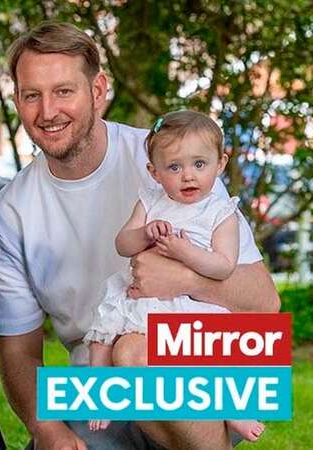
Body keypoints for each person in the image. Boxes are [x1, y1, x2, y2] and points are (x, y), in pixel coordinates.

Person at [0, 22, 280, 450]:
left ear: (99, 89)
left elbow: (265, 303)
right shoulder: (12, 209)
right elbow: (19, 348)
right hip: (100, 392)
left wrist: (187, 279)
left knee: (134, 356)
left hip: (197, 370)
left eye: (64, 91)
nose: (47, 111)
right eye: (32, 95)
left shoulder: (176, 161)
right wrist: (46, 429)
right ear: (17, 100)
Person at [83, 111, 265, 442]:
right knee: (101, 340)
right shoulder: (150, 202)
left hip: (188, 304)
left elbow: (223, 266)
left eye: (199, 164)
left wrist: (184, 252)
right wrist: (145, 233)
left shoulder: (221, 213)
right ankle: (101, 395)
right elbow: (123, 244)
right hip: (144, 301)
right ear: (154, 173)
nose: (188, 176)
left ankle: (231, 407)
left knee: (207, 358)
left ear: (220, 164)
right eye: (174, 167)